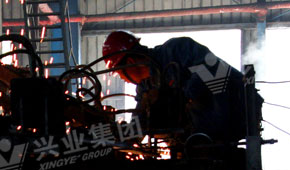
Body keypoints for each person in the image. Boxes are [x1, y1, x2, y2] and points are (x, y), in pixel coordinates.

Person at [102, 30, 254, 143]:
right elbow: (139, 126)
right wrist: (111, 134)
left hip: (235, 110)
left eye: (118, 73)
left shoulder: (177, 49)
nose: (122, 79)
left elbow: (214, 71)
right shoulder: (145, 87)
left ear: (130, 63)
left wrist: (174, 95)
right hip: (195, 141)